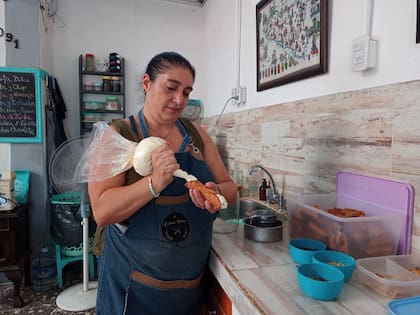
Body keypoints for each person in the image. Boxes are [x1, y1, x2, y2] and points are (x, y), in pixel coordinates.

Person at [88, 51, 238, 315]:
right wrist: (153, 183)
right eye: (170, 88)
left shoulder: (198, 136)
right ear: (147, 83)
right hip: (132, 289)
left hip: (189, 287)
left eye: (187, 92)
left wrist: (215, 193)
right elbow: (102, 210)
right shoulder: (118, 136)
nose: (179, 99)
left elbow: (230, 188)